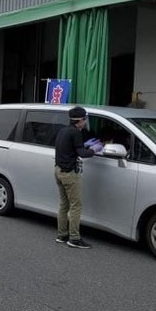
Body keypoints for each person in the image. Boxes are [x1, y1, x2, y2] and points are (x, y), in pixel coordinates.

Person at [53, 106, 103, 249]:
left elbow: (71, 148)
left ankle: (61, 235)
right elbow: (82, 153)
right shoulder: (75, 133)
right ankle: (74, 238)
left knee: (64, 205)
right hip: (69, 173)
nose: (86, 122)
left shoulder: (63, 130)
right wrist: (95, 149)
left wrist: (84, 144)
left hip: (58, 171)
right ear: (80, 120)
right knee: (76, 206)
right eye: (85, 119)